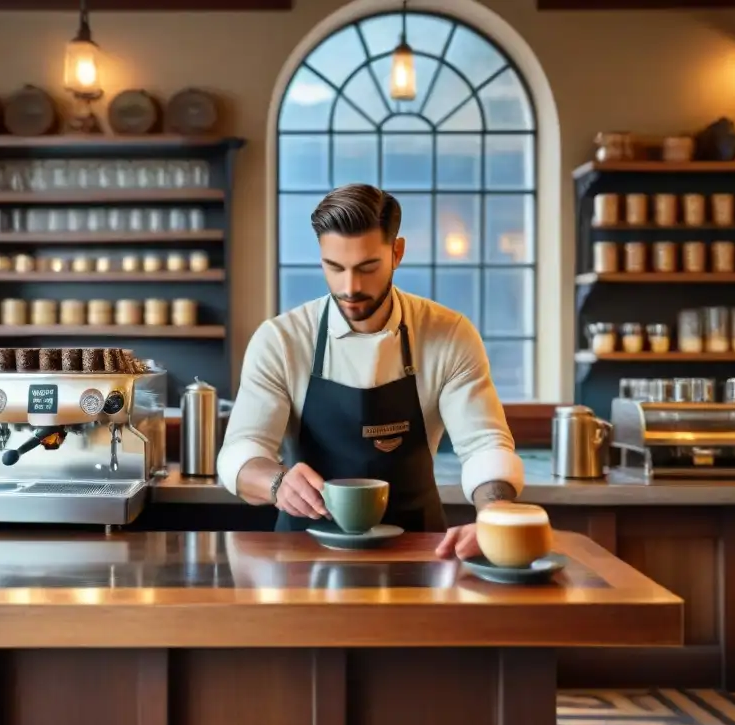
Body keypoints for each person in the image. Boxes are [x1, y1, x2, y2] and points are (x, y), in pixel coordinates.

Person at [217, 183, 524, 559]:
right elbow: (239, 453)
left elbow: (484, 444)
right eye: (335, 268)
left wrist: (495, 514)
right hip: (302, 553)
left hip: (420, 551)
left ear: (396, 253)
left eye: (367, 267)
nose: (350, 287)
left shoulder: (448, 335)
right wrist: (277, 482)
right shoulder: (281, 340)